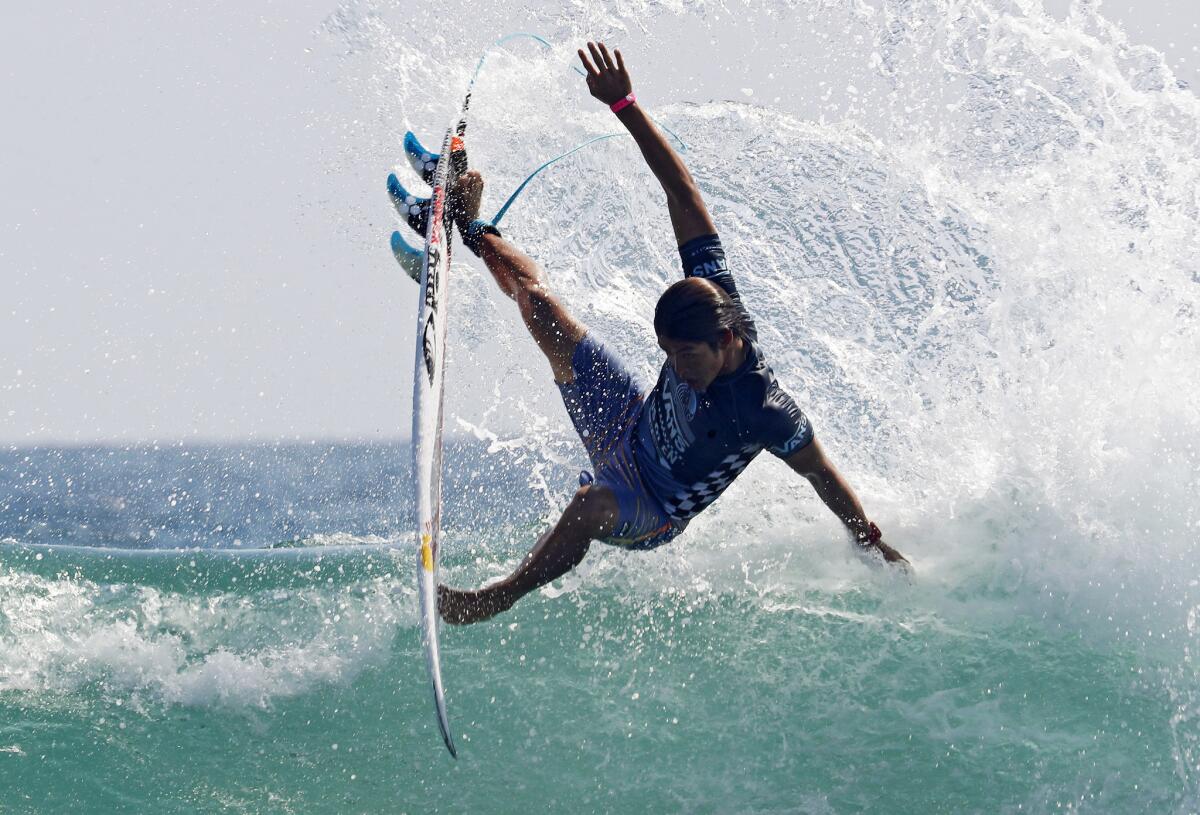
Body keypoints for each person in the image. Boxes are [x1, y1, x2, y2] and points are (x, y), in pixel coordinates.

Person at [438, 41, 909, 625]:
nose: (678, 367)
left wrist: (867, 539)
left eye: (686, 356)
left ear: (727, 343)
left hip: (652, 506)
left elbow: (821, 473)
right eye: (668, 352)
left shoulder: (763, 408)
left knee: (588, 507)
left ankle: (496, 597)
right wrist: (624, 104)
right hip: (625, 421)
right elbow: (681, 191)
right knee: (539, 306)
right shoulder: (712, 292)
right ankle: (469, 224)